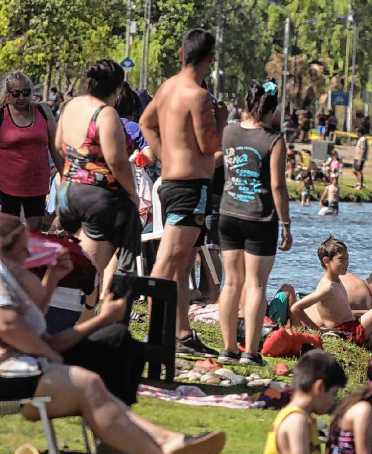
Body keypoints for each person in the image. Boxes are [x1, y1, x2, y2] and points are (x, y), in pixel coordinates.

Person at [0, 215, 225, 454]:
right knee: (89, 383)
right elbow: (9, 326)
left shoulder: (14, 273)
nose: (29, 251)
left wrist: (53, 276)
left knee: (115, 340)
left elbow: (34, 326)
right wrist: (49, 354)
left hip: (28, 362)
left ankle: (164, 442)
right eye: (23, 246)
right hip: (16, 372)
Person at [140, 29, 227, 357]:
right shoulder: (199, 96)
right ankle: (155, 335)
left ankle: (181, 332)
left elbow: (146, 122)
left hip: (173, 182)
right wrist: (222, 119)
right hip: (190, 187)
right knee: (168, 262)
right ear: (210, 60)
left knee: (183, 261)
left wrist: (165, 155)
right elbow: (209, 145)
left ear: (181, 53)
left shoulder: (167, 87)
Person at [215, 81, 292, 366]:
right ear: (270, 109)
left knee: (231, 282)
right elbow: (278, 186)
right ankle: (250, 351)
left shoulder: (229, 132)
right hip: (260, 218)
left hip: (228, 213)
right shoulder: (274, 139)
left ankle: (227, 347)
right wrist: (286, 223)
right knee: (256, 284)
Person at [55, 60, 140, 294]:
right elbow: (117, 161)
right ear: (117, 88)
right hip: (97, 198)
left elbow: (59, 145)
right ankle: (81, 324)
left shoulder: (71, 105)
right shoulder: (106, 113)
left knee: (73, 266)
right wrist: (132, 194)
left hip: (67, 193)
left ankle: (69, 317)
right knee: (87, 278)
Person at [291, 237, 372, 358]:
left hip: (351, 326)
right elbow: (296, 308)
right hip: (347, 334)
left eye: (347, 259)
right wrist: (318, 330)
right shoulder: (328, 287)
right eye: (341, 259)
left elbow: (342, 312)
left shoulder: (337, 279)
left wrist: (368, 312)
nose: (346, 263)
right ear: (326, 261)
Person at [0, 71, 63, 229]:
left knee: (34, 234)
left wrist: (66, 177)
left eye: (26, 93)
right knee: (9, 236)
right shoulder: (2, 115)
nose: (21, 97)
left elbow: (56, 147)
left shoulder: (43, 111)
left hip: (37, 184)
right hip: (7, 186)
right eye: (16, 93)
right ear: (7, 95)